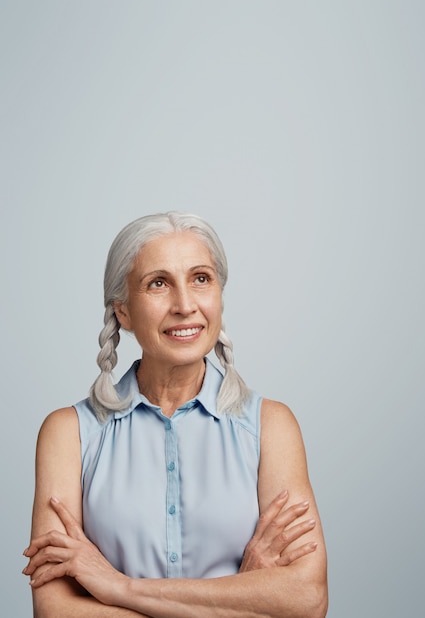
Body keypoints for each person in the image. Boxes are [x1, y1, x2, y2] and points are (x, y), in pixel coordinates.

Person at [23, 211, 328, 617]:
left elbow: (307, 600)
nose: (185, 305)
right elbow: (55, 610)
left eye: (201, 278)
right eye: (158, 284)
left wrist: (118, 587)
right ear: (123, 312)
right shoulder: (68, 434)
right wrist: (241, 595)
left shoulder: (272, 426)